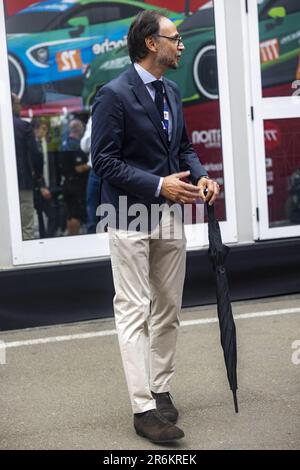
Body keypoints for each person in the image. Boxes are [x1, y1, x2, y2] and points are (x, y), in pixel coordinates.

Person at [92, 11, 219, 444]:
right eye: (175, 38)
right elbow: (103, 161)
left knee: (168, 307)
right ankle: (143, 408)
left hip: (168, 215)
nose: (181, 44)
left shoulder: (172, 90)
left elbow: (183, 147)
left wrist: (199, 175)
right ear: (151, 43)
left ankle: (160, 389)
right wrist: (157, 184)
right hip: (127, 215)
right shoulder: (113, 94)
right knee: (133, 310)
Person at [11, 93, 43, 240]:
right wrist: (38, 174)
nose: (20, 106)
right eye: (18, 103)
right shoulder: (23, 126)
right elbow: (35, 154)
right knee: (26, 226)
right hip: (22, 182)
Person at [80, 116, 101, 234]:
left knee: (113, 215)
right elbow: (84, 146)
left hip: (115, 172)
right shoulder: (94, 117)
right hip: (95, 171)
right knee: (92, 214)